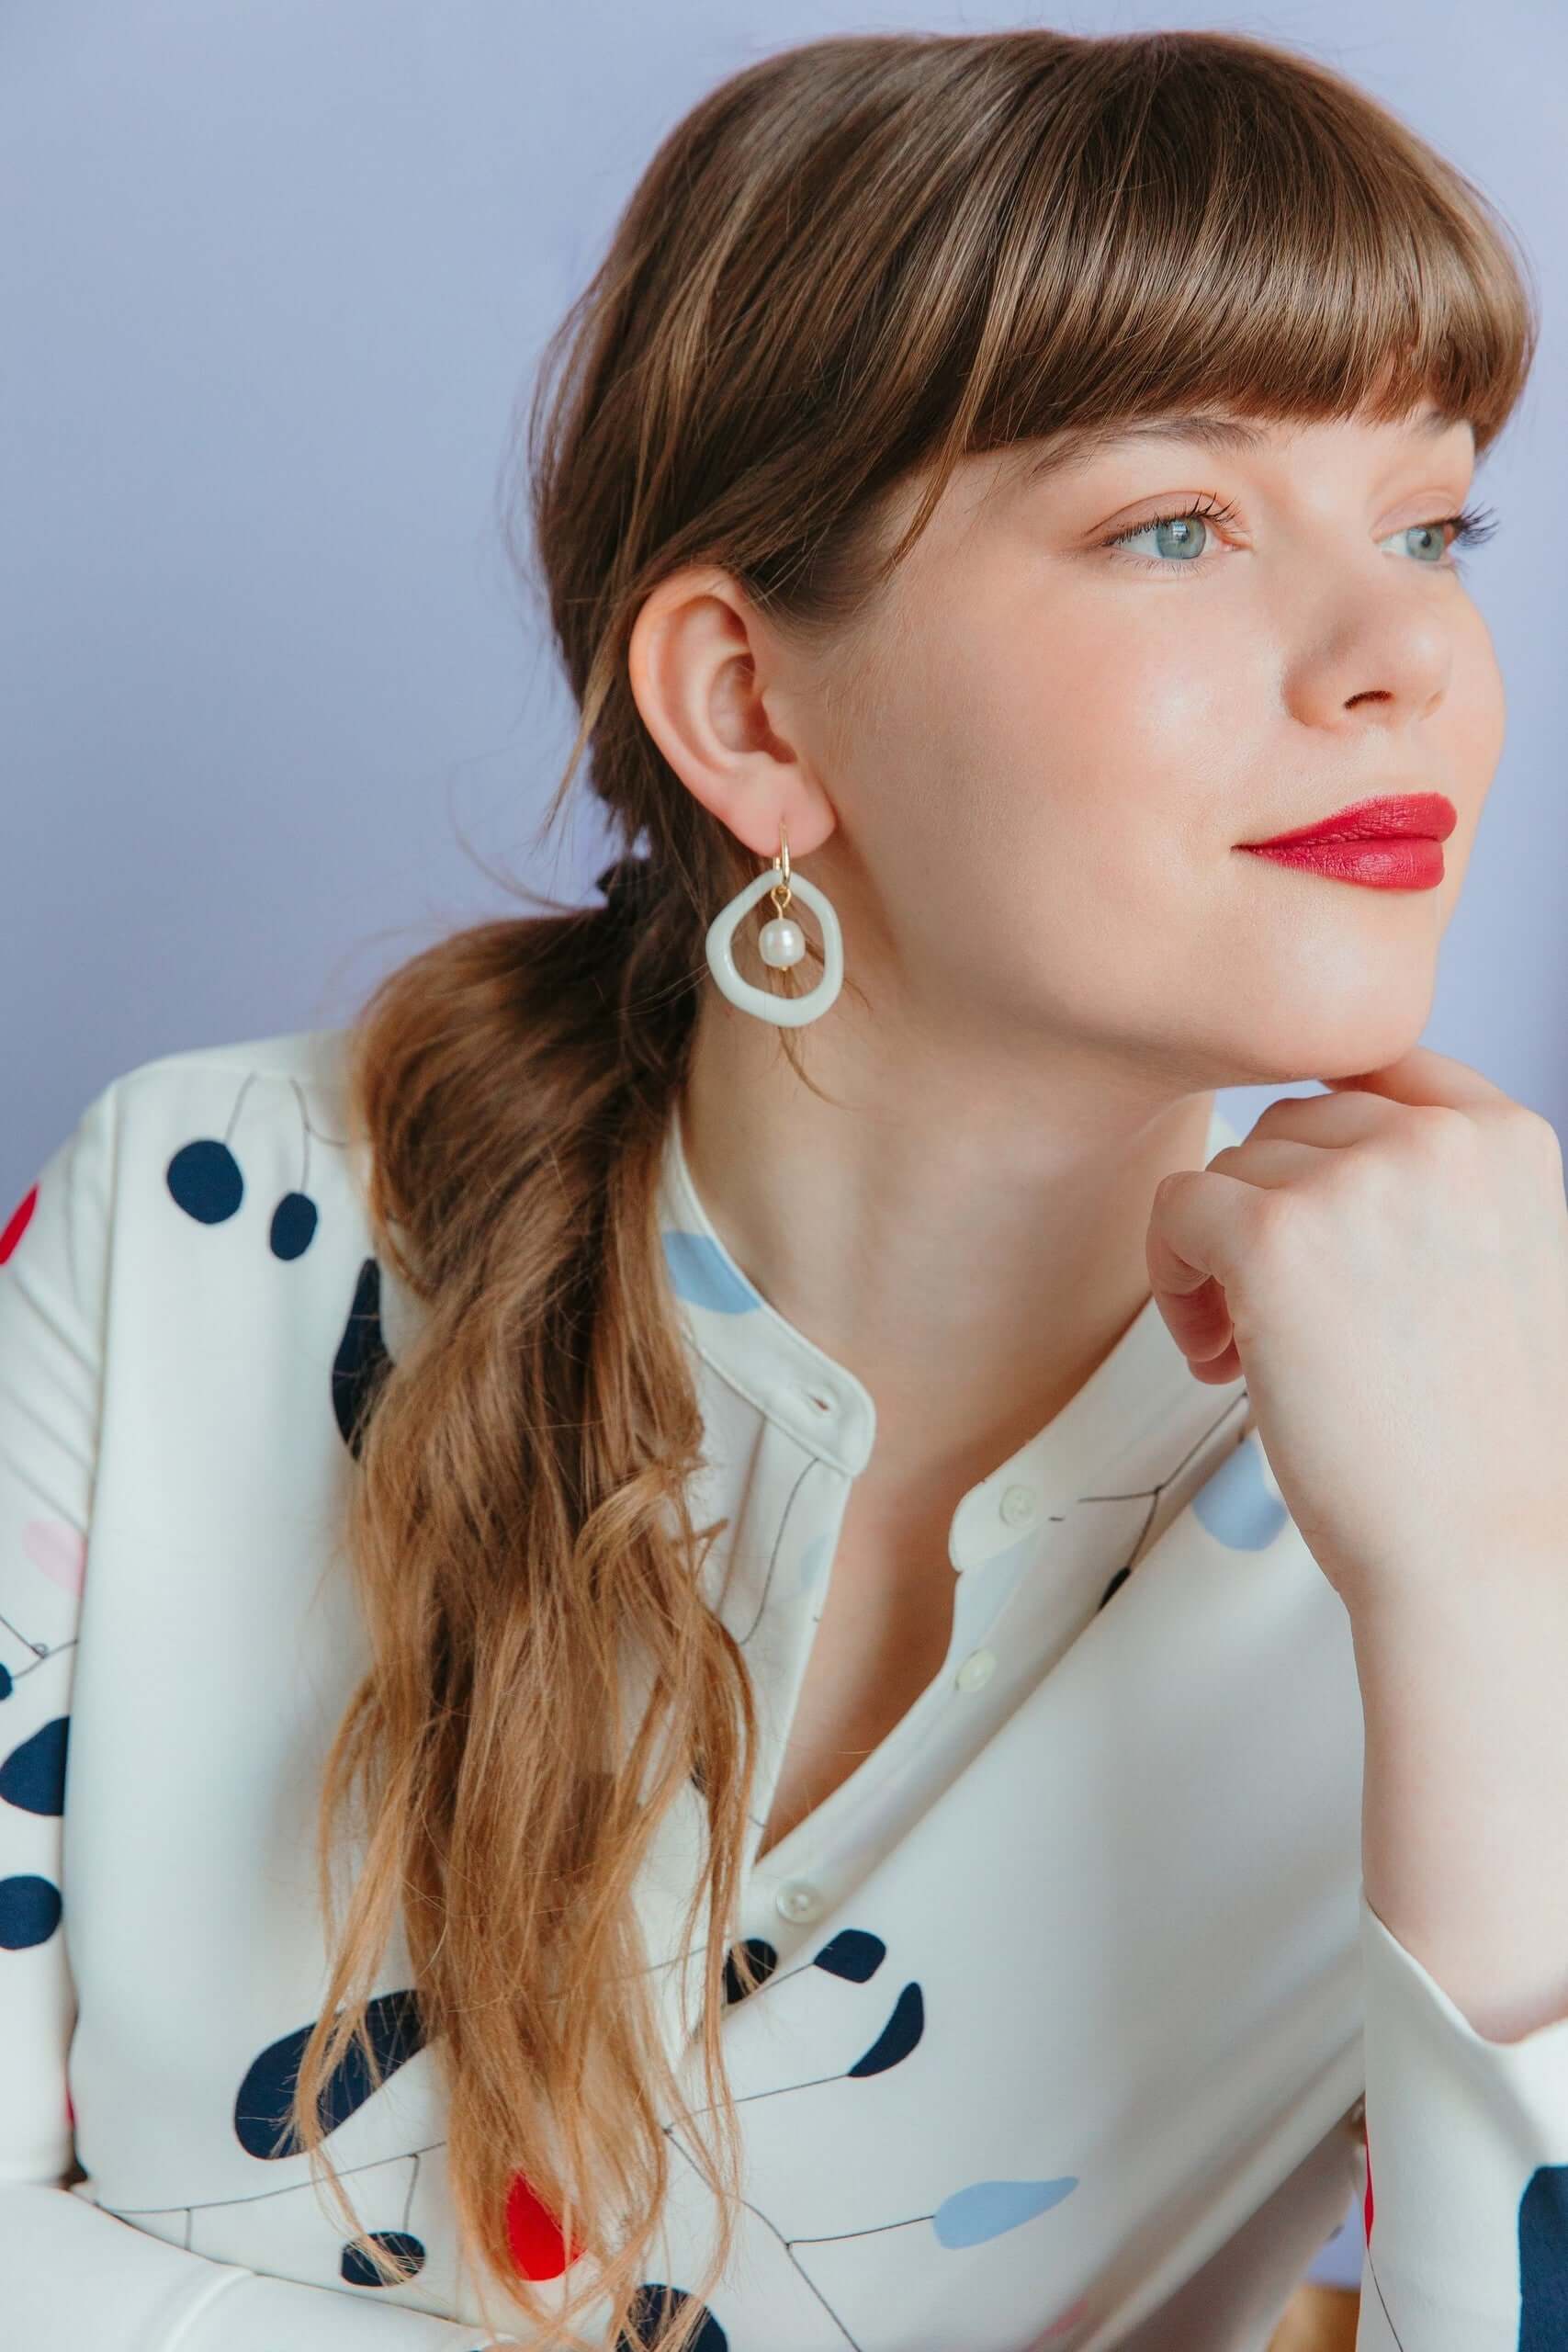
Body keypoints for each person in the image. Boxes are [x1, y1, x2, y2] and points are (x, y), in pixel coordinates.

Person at [2, 24, 1562, 2352]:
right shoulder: (204, 1230)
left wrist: (1480, 1595)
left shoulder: (1497, 1460)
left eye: (1431, 522)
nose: (1402, 657)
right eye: (1176, 522)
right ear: (747, 707)